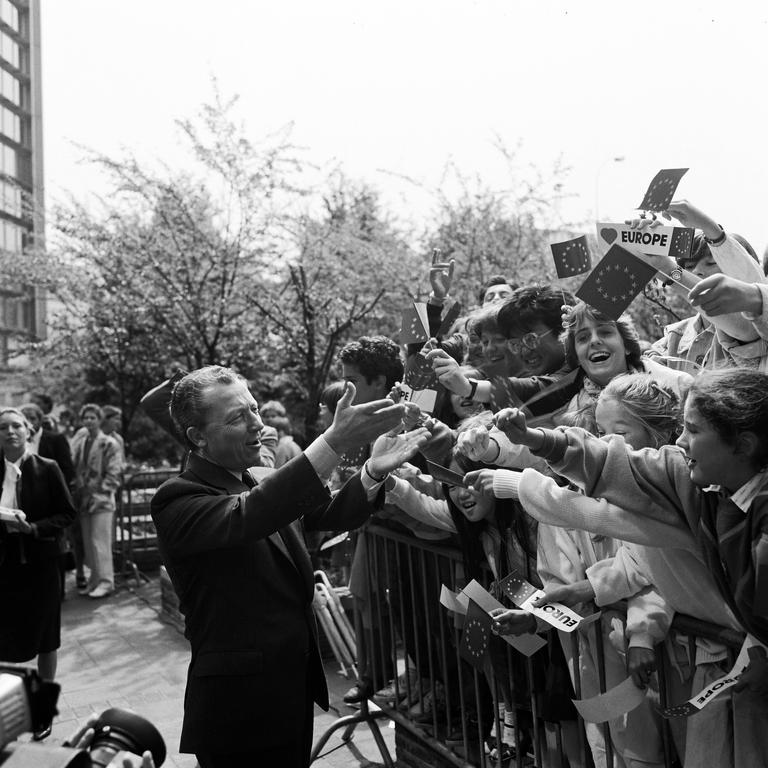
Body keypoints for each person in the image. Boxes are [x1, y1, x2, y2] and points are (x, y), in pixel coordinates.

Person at [150, 365, 426, 768]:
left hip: (291, 691)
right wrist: (334, 440)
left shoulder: (261, 477)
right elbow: (252, 514)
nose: (256, 424)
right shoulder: (177, 499)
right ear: (198, 437)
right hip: (239, 709)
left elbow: (329, 510)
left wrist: (373, 471)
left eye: (254, 409)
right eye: (237, 417)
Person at [0, 407, 76, 740]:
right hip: (4, 568)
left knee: (47, 640)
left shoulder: (47, 468)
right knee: (4, 639)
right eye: (3, 427)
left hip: (43, 564)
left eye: (16, 426)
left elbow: (66, 514)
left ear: (29, 431)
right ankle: (7, 711)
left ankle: (43, 711)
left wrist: (32, 528)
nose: (10, 432)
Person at [71, 403, 122, 598]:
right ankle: (94, 580)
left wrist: (103, 490)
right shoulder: (82, 442)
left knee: (100, 541)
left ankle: (106, 581)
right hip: (83, 499)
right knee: (88, 542)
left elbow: (115, 471)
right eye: (86, 418)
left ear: (99, 419)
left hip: (101, 499)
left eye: (92, 417)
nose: (89, 421)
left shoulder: (109, 442)